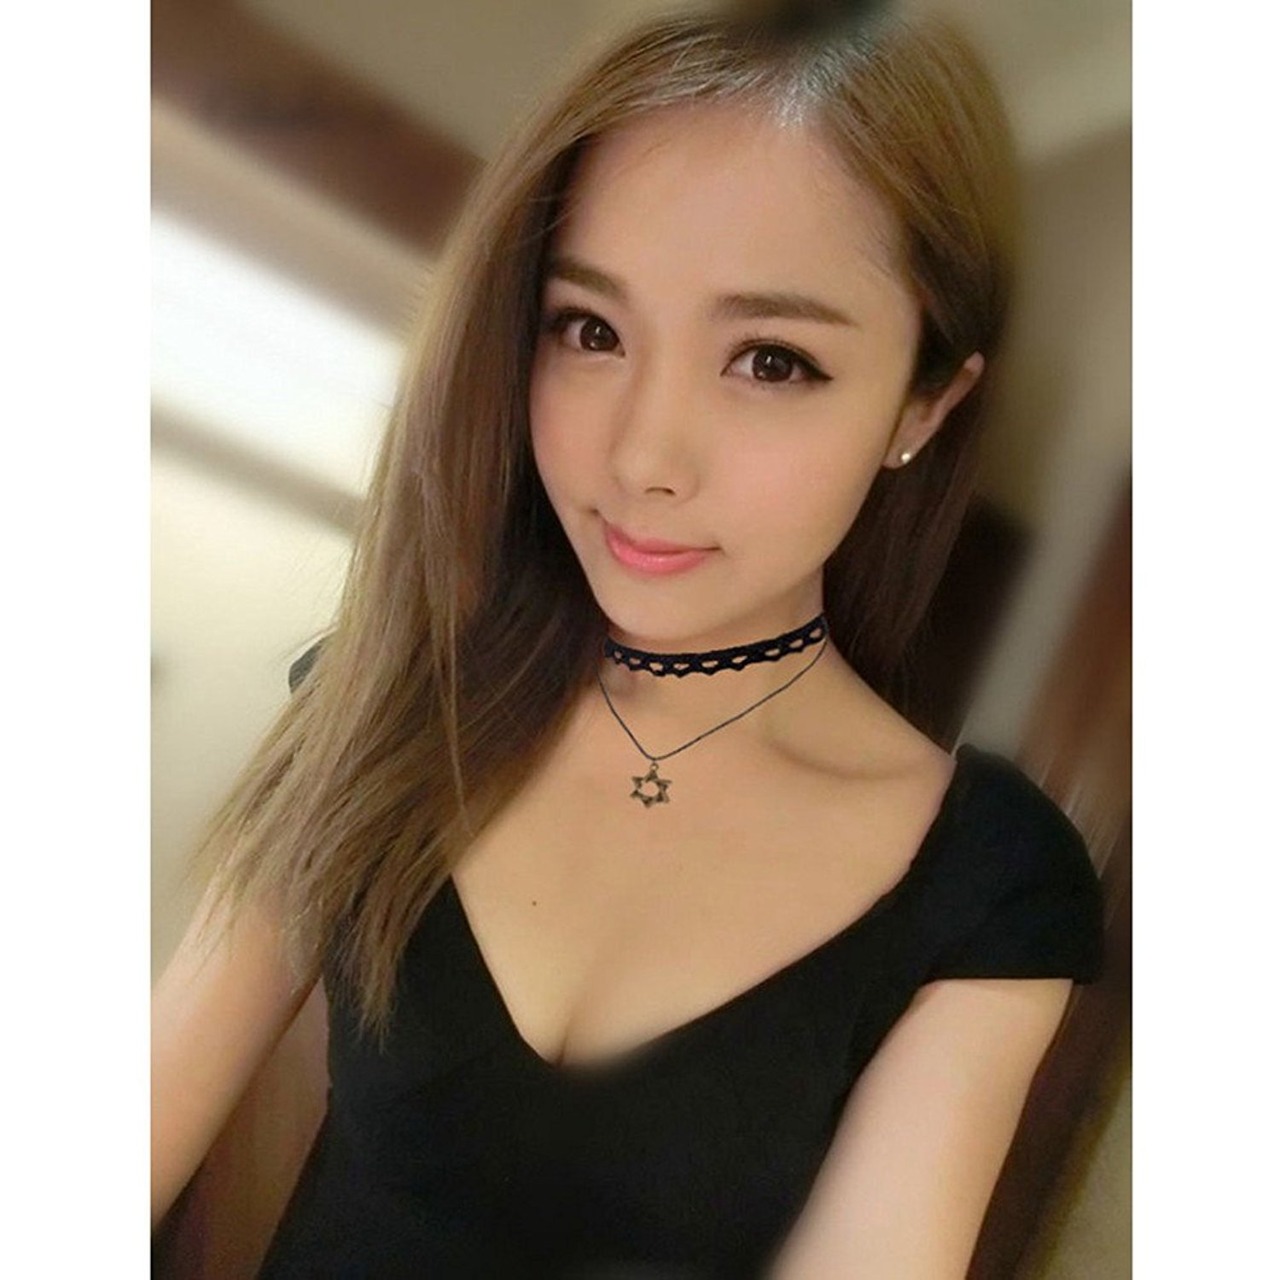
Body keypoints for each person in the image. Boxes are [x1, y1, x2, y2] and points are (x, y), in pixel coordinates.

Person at [152, 3, 1105, 1277]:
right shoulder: (386, 692)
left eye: (771, 360)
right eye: (589, 330)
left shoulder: (984, 880)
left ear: (921, 406)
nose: (643, 457)